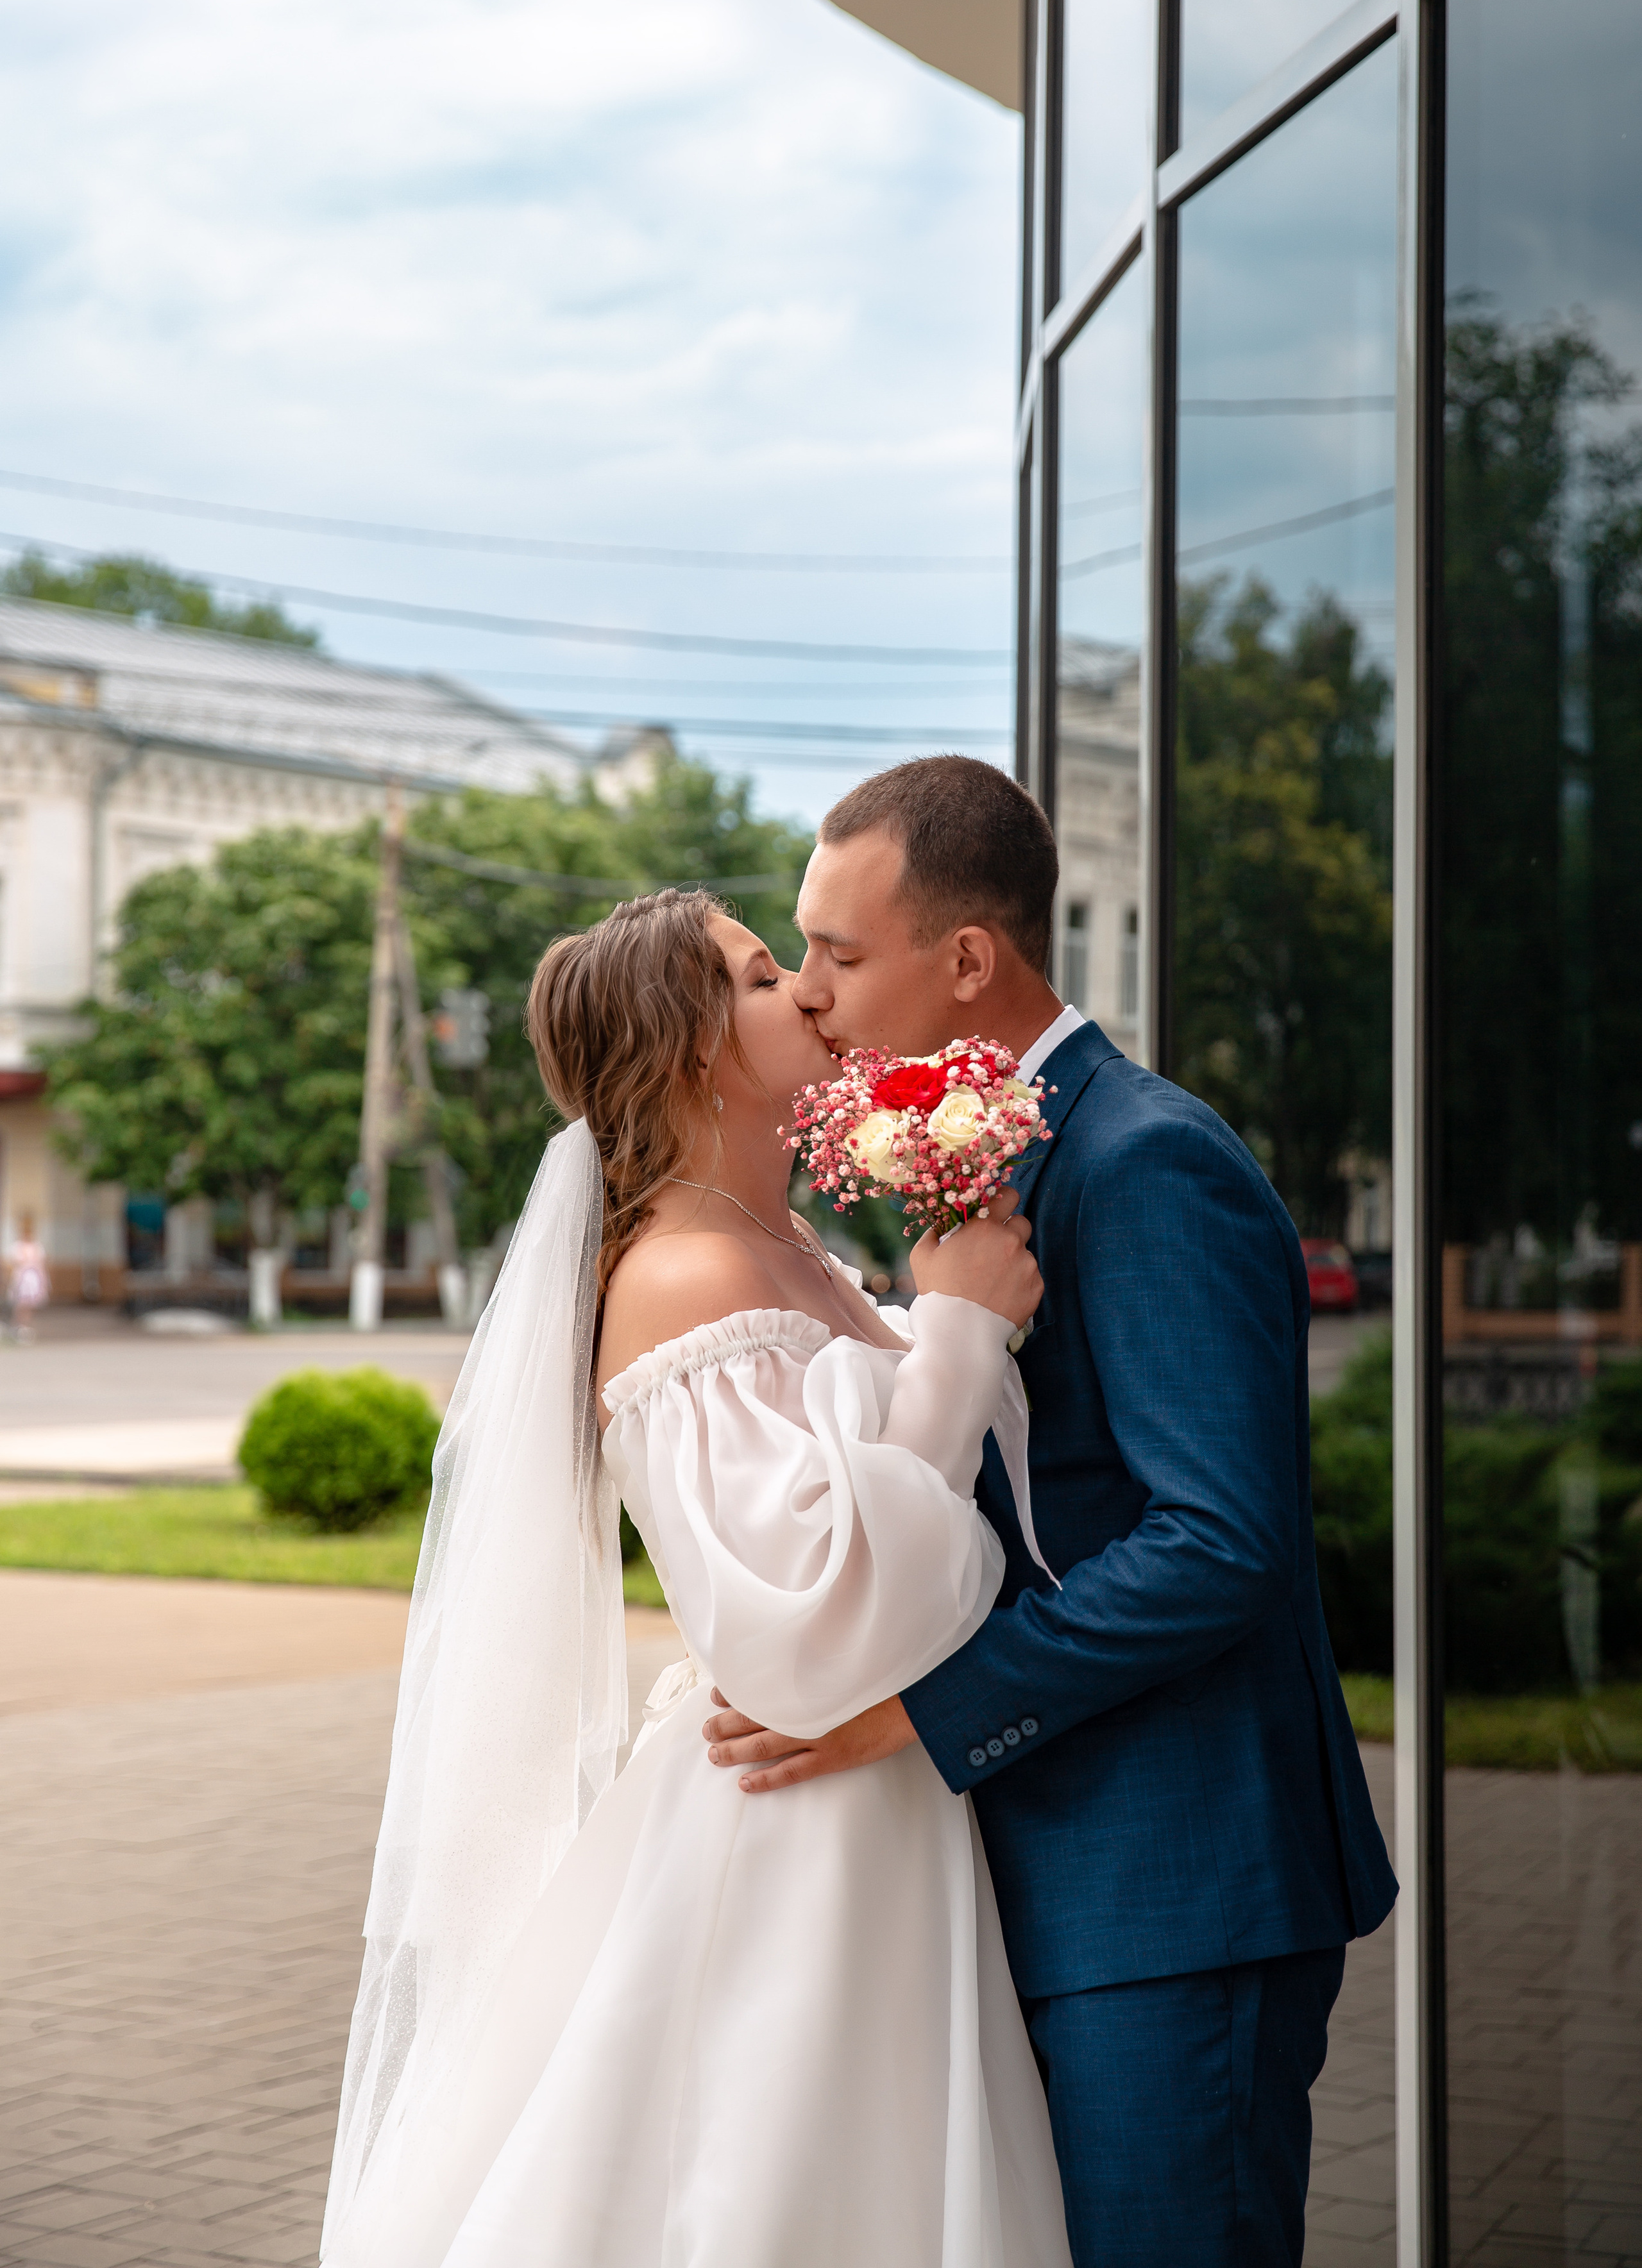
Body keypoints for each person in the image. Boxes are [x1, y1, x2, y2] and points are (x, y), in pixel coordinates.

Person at [704, 754, 1399, 2268]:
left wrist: (917, 1711)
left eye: (837, 949)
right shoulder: (987, 1151)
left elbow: (1217, 1540)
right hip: (1056, 1859)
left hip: (1178, 1883)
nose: (813, 991)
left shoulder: (1145, 1162)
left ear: (965, 961)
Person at [319, 887, 1072, 2268]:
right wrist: (957, 1332)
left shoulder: (797, 1252)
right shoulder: (677, 1273)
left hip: (877, 1802)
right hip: (792, 1822)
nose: (805, 992)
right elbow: (811, 1628)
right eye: (758, 973)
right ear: (689, 1053)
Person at [5, 1212, 49, 1341]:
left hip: (33, 1278)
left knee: (29, 1304)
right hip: (22, 1278)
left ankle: (24, 1326)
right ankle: (18, 1326)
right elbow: (12, 1263)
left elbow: (41, 1263)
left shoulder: (37, 1247)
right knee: (20, 1304)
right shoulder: (18, 1247)